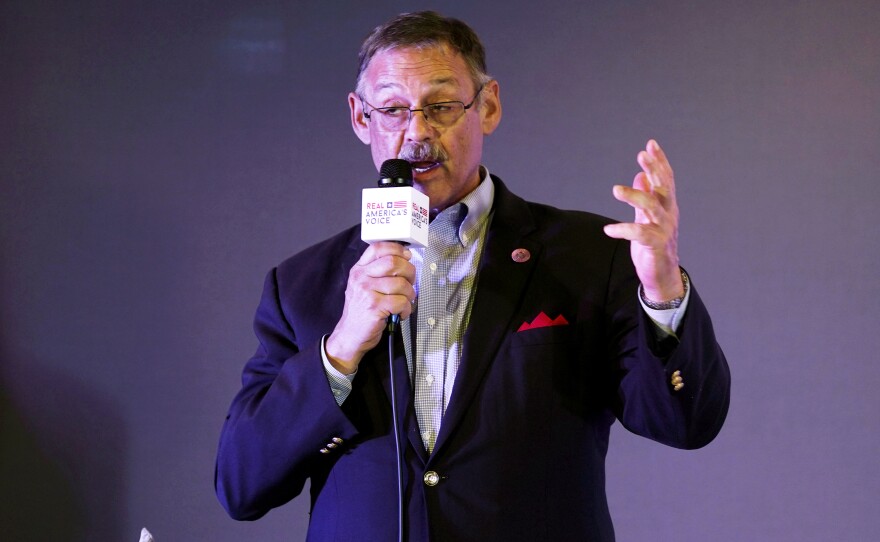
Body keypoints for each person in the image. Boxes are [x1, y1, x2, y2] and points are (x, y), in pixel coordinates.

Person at [215, 11, 730, 542]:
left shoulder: (590, 255)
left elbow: (686, 424)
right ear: (360, 118)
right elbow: (241, 486)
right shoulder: (302, 285)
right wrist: (341, 350)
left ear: (488, 106)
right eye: (392, 109)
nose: (417, 131)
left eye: (440, 106)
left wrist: (664, 289)